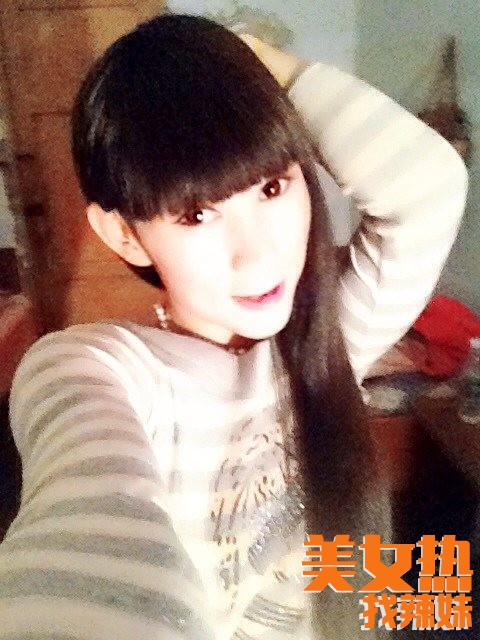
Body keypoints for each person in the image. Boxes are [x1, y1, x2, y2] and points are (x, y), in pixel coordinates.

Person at [0, 13, 467, 640]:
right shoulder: (98, 370)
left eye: (272, 188)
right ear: (124, 234)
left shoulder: (326, 342)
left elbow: (430, 187)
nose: (258, 255)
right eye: (196, 215)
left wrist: (262, 63)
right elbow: (84, 559)